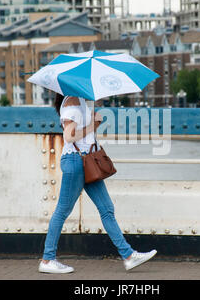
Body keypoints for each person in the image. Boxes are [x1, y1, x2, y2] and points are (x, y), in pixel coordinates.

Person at [38, 94, 157, 274]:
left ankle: (129, 256)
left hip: (87, 162)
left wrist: (94, 120)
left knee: (106, 208)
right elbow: (69, 137)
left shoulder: (81, 102)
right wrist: (92, 126)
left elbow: (85, 135)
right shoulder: (71, 103)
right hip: (75, 162)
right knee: (62, 211)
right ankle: (47, 259)